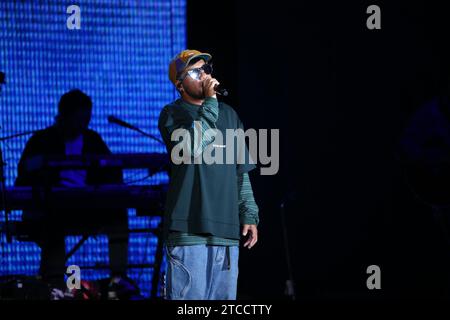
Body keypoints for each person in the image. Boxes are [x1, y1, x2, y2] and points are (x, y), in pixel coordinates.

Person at [158, 49, 259, 300]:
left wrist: (249, 213)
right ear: (179, 85)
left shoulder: (229, 115)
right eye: (195, 71)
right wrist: (210, 103)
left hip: (225, 231)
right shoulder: (172, 114)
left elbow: (240, 171)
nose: (203, 75)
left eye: (206, 69)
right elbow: (191, 148)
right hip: (189, 230)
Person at [15, 89, 128, 289]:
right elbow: (23, 177)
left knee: (118, 216)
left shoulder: (93, 140)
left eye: (87, 118)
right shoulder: (41, 140)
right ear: (65, 115)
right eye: (80, 118)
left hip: (85, 208)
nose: (84, 123)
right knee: (53, 224)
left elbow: (112, 171)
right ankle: (54, 285)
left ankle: (118, 280)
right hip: (50, 209)